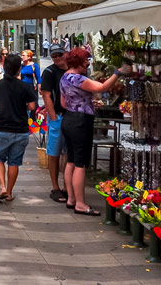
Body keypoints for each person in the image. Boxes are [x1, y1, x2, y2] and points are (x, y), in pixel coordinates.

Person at [60, 48, 127, 216]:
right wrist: (118, 72)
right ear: (79, 62)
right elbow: (103, 87)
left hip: (68, 119)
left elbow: (63, 103)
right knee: (81, 164)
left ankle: (71, 199)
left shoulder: (64, 78)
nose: (88, 63)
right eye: (85, 61)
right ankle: (81, 204)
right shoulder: (79, 79)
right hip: (81, 122)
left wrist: (84, 103)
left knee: (71, 160)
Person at [0, 53, 36, 202]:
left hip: (2, 128)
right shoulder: (25, 87)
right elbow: (32, 106)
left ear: (4, 68)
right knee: (14, 162)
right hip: (21, 130)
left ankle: (2, 187)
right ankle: (9, 192)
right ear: (19, 69)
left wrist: (1, 106)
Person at [39, 44, 68, 203]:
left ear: (65, 54)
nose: (57, 58)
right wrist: (53, 117)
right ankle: (55, 187)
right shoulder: (49, 72)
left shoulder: (72, 70)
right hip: (57, 116)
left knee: (68, 153)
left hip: (70, 117)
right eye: (54, 56)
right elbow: (46, 95)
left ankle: (67, 186)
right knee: (54, 152)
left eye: (59, 55)